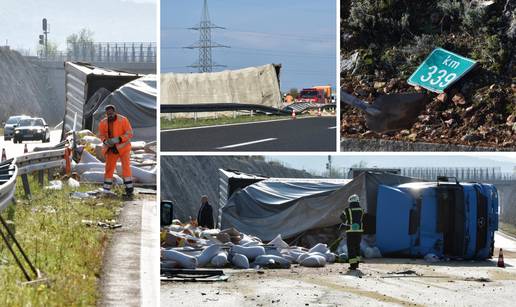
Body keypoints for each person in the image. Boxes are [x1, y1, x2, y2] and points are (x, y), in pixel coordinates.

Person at [98, 104, 134, 197]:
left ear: (114, 112)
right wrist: (105, 141)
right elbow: (101, 135)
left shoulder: (123, 120)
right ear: (106, 113)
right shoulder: (103, 122)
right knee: (109, 168)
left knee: (126, 167)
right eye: (108, 113)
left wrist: (119, 139)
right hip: (111, 149)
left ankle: (129, 190)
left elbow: (129, 133)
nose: (110, 114)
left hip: (123, 148)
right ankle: (106, 189)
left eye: (111, 112)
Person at [340, 194, 364, 270]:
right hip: (359, 230)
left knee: (351, 247)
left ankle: (353, 265)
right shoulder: (361, 209)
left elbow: (342, 217)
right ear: (357, 201)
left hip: (350, 230)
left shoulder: (347, 210)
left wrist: (346, 222)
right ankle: (357, 263)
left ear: (350, 201)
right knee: (357, 246)